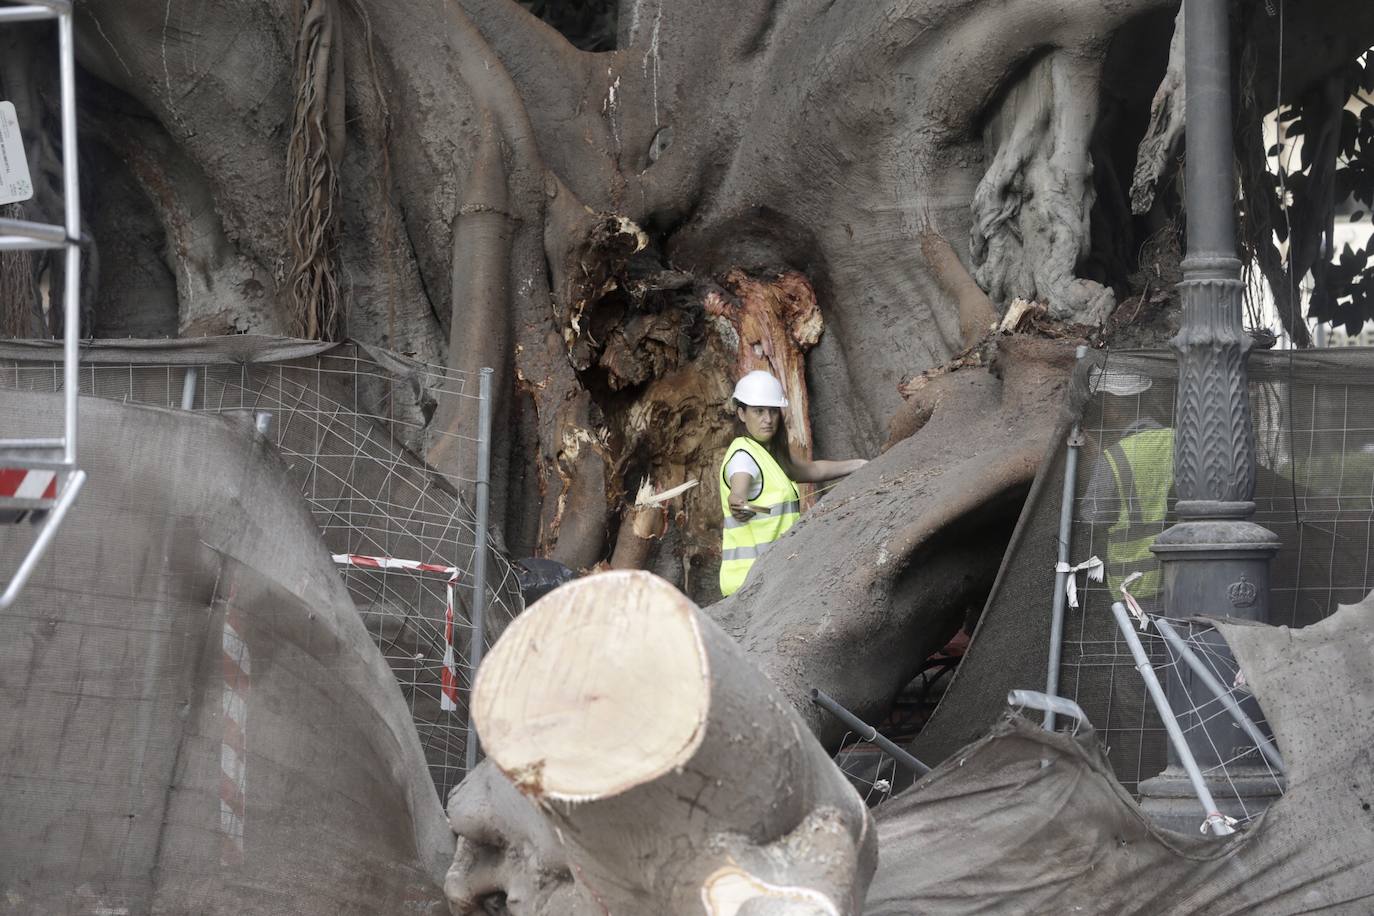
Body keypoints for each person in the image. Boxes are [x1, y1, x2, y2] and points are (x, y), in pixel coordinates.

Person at [719, 370, 867, 596]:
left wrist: (859, 465)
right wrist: (737, 501)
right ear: (741, 413)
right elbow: (738, 489)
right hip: (750, 583)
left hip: (773, 575)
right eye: (758, 412)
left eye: (772, 411)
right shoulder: (743, 458)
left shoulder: (768, 456)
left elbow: (813, 469)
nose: (767, 420)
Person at [1084, 367, 1173, 604]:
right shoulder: (1182, 441)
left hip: (1135, 587)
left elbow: (1093, 516)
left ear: (1112, 407)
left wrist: (1092, 461)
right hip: (1187, 577)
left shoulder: (1113, 458)